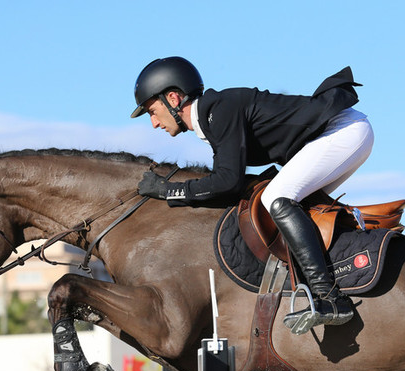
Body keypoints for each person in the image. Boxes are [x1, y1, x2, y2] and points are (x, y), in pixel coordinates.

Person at [131, 56, 374, 334]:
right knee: (291, 206)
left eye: (152, 111)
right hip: (343, 133)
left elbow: (227, 181)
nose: (153, 123)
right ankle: (337, 277)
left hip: (342, 131)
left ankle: (330, 298)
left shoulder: (218, 110)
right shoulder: (213, 115)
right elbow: (229, 181)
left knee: (276, 198)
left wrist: (168, 190)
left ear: (173, 98)